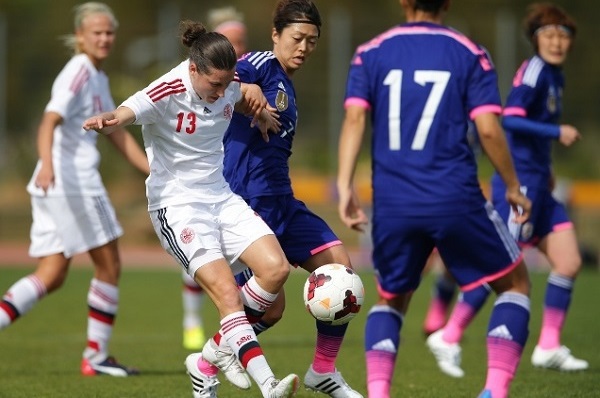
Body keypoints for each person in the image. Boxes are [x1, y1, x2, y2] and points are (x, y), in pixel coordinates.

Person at [83, 20, 300, 398]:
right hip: (178, 206)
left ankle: (210, 359)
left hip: (221, 197)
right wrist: (111, 119)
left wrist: (261, 112)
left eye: (227, 83)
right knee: (228, 298)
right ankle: (268, 384)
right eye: (214, 84)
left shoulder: (228, 86)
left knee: (276, 269)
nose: (220, 92)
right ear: (194, 70)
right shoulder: (168, 89)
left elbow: (242, 91)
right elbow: (130, 109)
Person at [336, 1, 533, 397]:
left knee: (391, 299)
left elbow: (355, 119)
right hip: (454, 196)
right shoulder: (469, 52)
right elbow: (489, 129)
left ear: (403, 2)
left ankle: (378, 393)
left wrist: (344, 185)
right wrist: (512, 184)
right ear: (447, 3)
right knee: (515, 286)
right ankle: (494, 390)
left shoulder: (370, 52)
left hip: (393, 202)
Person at [194, 1, 362, 396]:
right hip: (247, 204)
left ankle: (323, 371)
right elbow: (219, 82)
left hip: (282, 201)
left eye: (313, 41)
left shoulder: (288, 83)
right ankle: (205, 364)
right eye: (297, 38)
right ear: (275, 34)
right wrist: (244, 87)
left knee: (342, 271)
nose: (304, 47)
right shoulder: (260, 64)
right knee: (273, 308)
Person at [426, 2, 588, 377]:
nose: (556, 42)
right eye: (548, 34)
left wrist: (547, 170)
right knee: (503, 267)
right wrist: (556, 132)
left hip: (539, 183)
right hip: (520, 186)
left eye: (563, 36)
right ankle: (449, 335)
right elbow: (510, 119)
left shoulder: (554, 75)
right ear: (535, 39)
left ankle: (548, 345)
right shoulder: (534, 72)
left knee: (568, 261)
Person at [0, 2, 147, 377]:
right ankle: (95, 357)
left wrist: (153, 170)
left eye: (108, 32)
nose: (103, 38)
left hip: (55, 186)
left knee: (52, 273)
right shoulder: (79, 72)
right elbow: (49, 121)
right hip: (74, 183)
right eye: (96, 32)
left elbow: (113, 132)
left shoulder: (96, 77)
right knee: (110, 264)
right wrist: (48, 164)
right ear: (80, 36)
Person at [180, 5, 249, 352]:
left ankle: (235, 328)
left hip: (232, 178)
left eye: (242, 43)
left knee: (240, 254)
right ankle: (192, 320)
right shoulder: (198, 85)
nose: (239, 51)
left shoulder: (239, 81)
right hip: (200, 185)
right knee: (201, 251)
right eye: (231, 43)